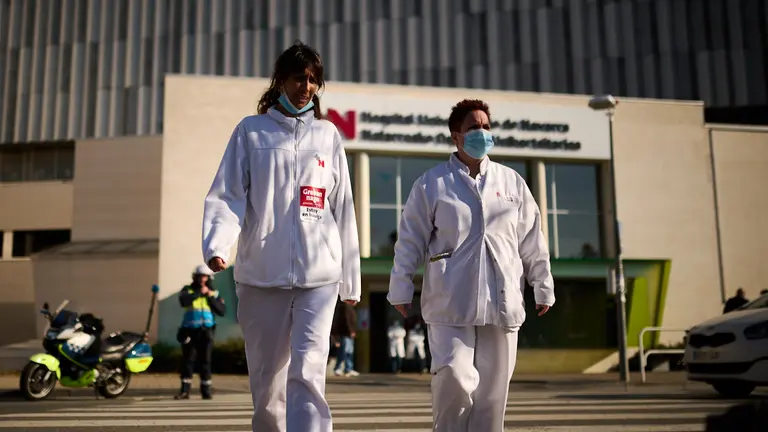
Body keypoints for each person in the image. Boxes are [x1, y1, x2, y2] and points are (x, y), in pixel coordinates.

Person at [201, 41, 361, 432]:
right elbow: (228, 193)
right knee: (268, 381)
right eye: (298, 78)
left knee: (309, 372)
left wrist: (350, 279)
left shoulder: (328, 136)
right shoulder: (251, 132)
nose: (306, 86)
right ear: (281, 80)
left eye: (313, 80)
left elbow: (343, 207)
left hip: (319, 278)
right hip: (260, 275)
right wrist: (218, 244)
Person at [387, 99, 555, 432]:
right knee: (454, 378)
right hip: (450, 299)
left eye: (486, 126)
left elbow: (533, 239)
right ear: (456, 136)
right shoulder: (431, 183)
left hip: (502, 301)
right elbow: (410, 240)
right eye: (473, 127)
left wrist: (543, 284)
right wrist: (400, 286)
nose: (481, 132)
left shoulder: (511, 183)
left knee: (493, 395)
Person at [175, 264, 226, 400]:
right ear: (195, 277)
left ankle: (206, 390)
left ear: (209, 278)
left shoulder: (214, 293)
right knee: (188, 361)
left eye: (205, 277)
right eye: (200, 277)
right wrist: (199, 293)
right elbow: (184, 302)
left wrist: (210, 297)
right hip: (190, 331)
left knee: (205, 362)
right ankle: (185, 391)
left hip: (207, 331)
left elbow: (221, 311)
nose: (202, 279)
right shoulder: (188, 290)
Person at [331, 300, 360, 377]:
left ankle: (348, 368)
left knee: (348, 351)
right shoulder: (347, 308)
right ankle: (339, 368)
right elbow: (347, 320)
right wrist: (351, 331)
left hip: (347, 333)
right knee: (344, 351)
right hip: (345, 333)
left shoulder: (348, 308)